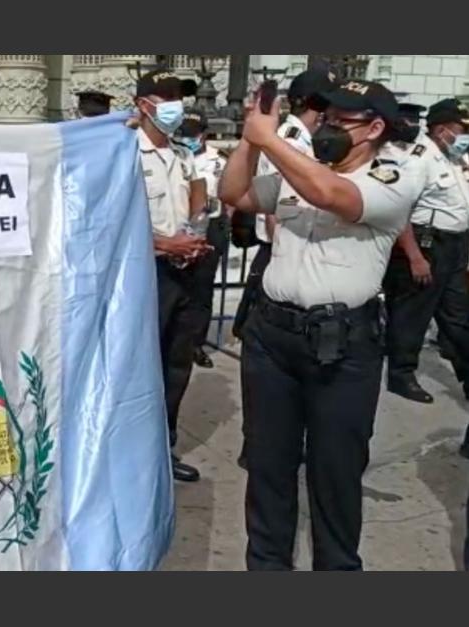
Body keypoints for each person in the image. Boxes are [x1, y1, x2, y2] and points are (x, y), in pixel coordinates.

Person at [218, 79, 421, 570]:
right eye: (324, 118)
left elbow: (333, 195)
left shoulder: (394, 175)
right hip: (272, 338)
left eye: (340, 121)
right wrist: (250, 137)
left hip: (344, 345)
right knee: (268, 467)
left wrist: (270, 140)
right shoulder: (298, 173)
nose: (327, 127)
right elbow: (235, 193)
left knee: (335, 474)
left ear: (374, 128)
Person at [231, 67, 333, 469]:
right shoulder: (289, 140)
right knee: (263, 356)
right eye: (326, 104)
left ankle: (281, 438)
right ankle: (255, 444)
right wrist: (284, 253)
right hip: (278, 251)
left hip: (294, 251)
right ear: (312, 104)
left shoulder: (306, 140)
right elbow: (277, 206)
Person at [132, 69, 208, 483]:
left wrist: (194, 233)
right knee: (141, 365)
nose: (179, 105)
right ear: (145, 105)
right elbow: (114, 220)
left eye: (182, 97)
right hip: (147, 272)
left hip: (185, 270)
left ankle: (165, 447)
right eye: (169, 97)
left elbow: (198, 195)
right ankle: (133, 453)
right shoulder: (125, 151)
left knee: (177, 365)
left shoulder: (183, 153)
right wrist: (165, 244)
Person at [382, 98, 469, 405]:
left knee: (458, 314)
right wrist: (415, 256)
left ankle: (464, 368)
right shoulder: (420, 159)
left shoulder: (454, 160)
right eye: (461, 130)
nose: (464, 137)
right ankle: (401, 374)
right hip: (428, 243)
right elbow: (400, 211)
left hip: (457, 246)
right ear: (442, 129)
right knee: (413, 312)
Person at [177, 109, 227, 368]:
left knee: (202, 289)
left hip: (209, 227)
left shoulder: (218, 161)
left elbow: (226, 196)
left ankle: (196, 343)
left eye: (192, 135)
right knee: (175, 289)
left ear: (204, 135)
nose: (186, 139)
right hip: (177, 229)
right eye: (183, 134)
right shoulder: (175, 155)